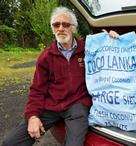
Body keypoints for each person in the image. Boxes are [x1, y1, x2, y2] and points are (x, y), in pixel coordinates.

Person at [2, 6, 118, 146]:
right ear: (52, 28)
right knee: (11, 142)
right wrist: (32, 116)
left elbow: (108, 54)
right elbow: (37, 90)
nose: (60, 28)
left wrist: (111, 38)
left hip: (77, 105)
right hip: (52, 106)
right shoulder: (45, 57)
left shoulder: (88, 48)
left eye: (66, 24)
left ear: (73, 28)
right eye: (56, 24)